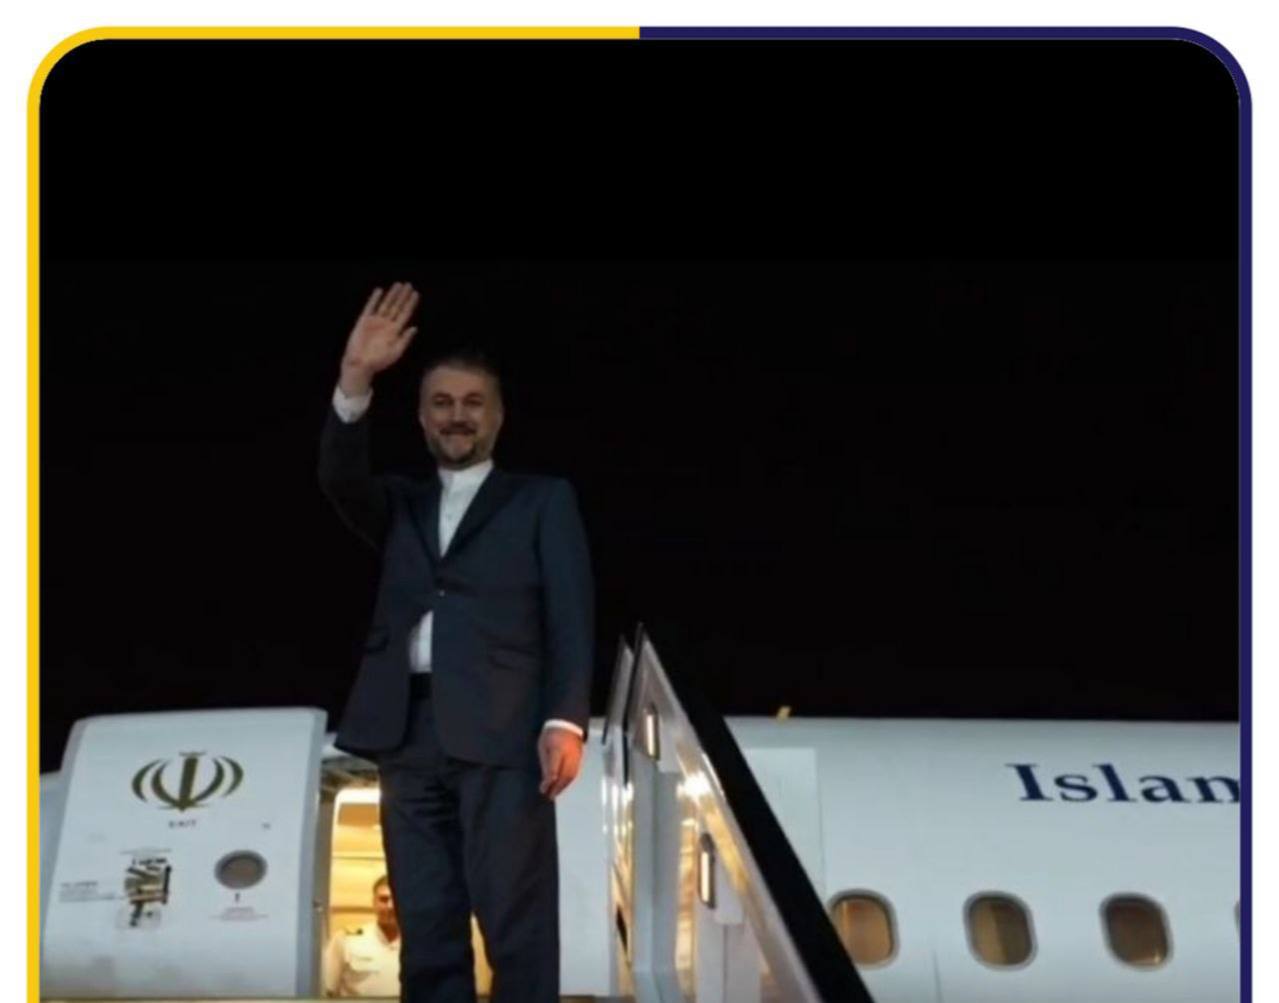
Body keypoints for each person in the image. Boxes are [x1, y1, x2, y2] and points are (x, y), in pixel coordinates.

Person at [317, 281, 595, 1003]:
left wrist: (565, 718)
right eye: (441, 402)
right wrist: (355, 378)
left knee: (515, 919)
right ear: (421, 416)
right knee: (427, 919)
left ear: (497, 415)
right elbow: (338, 477)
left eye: (473, 402)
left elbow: (570, 613)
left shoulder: (541, 499)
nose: (457, 415)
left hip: (502, 730)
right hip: (405, 731)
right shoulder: (399, 503)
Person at [323, 875, 402, 998]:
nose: (390, 906)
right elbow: (327, 990)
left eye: (397, 899)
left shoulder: (418, 944)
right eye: (383, 899)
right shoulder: (346, 940)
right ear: (373, 902)